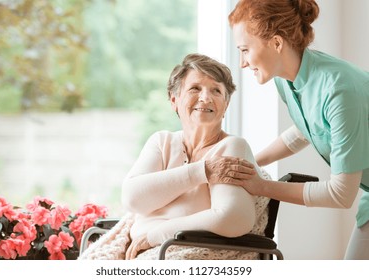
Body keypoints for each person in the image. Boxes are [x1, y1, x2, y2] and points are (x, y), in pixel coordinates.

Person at [79, 53, 269, 260]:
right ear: (174, 100)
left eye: (216, 90)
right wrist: (202, 171)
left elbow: (233, 218)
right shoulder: (162, 142)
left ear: (226, 104)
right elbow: (133, 199)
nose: (206, 97)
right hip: (137, 253)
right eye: (195, 88)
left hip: (179, 254)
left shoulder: (232, 146)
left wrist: (155, 236)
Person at [227, 0, 369, 259]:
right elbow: (306, 129)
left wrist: (261, 186)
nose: (242, 63)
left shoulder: (339, 90)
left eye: (245, 50)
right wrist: (249, 163)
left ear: (277, 43)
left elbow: (340, 194)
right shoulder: (287, 80)